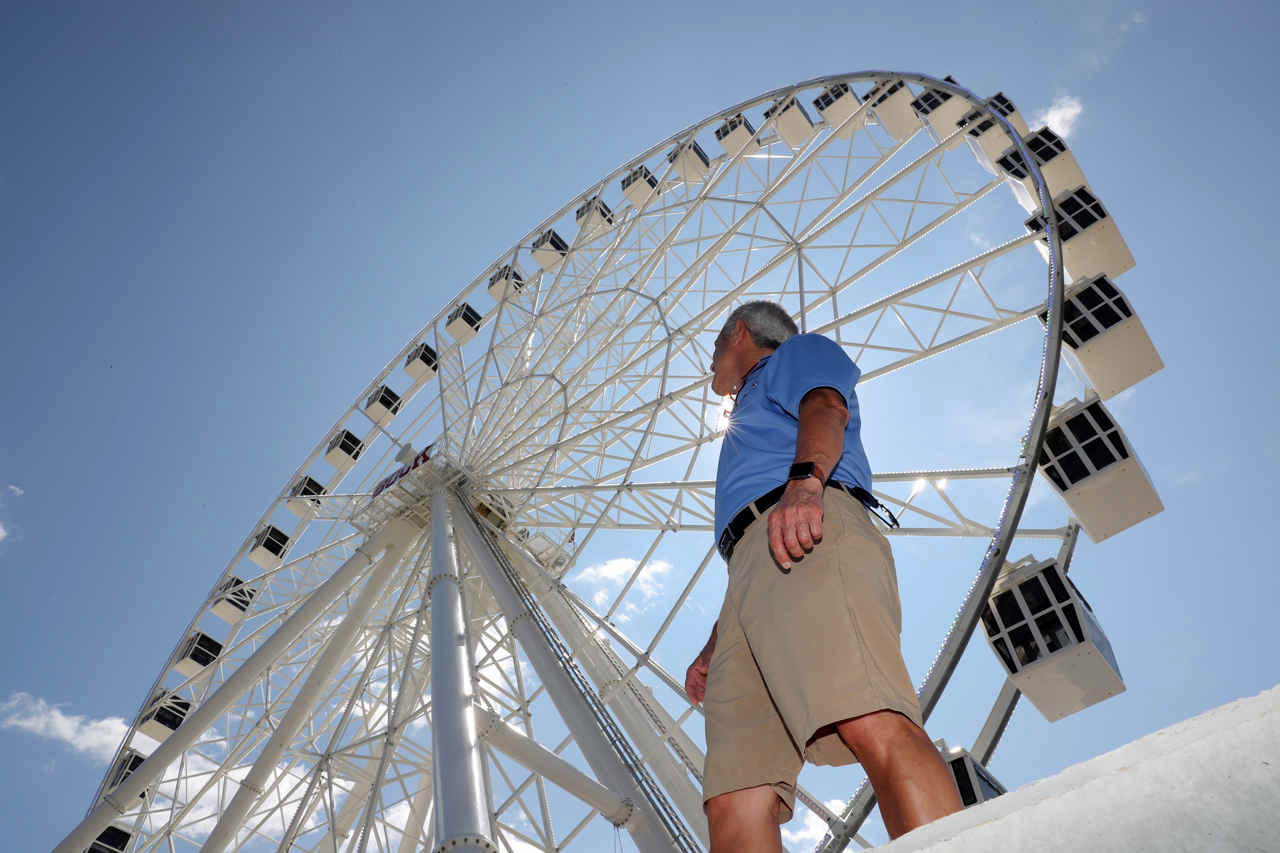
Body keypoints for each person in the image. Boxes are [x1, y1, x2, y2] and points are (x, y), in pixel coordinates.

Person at [685, 301, 963, 852]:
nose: (710, 362)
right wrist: (718, 640)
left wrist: (806, 483)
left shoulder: (794, 354)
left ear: (739, 333)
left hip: (807, 520)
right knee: (734, 795)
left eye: (715, 347)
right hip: (751, 565)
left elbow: (825, 405)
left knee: (869, 715)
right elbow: (748, 540)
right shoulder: (741, 423)